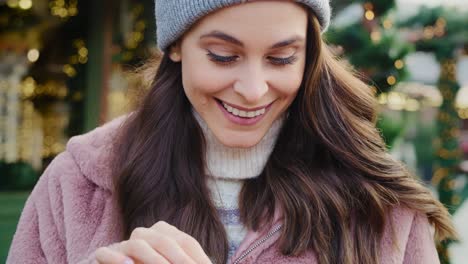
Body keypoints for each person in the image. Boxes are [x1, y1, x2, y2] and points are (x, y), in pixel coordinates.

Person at [7, 0, 458, 264]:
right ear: (177, 45)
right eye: (223, 55)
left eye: (282, 58)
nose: (252, 89)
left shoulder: (382, 203)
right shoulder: (78, 182)